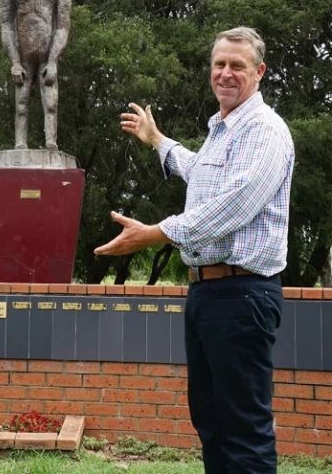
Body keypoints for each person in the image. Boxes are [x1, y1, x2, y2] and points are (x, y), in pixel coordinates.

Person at [95, 26, 294, 473]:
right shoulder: (222, 131)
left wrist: (157, 232)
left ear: (259, 72)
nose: (225, 73)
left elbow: (235, 204)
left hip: (244, 295)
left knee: (243, 429)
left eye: (237, 66)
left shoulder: (266, 131)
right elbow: (202, 172)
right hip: (208, 295)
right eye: (219, 64)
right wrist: (157, 142)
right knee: (212, 423)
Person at [0, 0, 72, 150]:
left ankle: (51, 142)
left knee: (51, 102)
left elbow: (62, 26)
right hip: (22, 52)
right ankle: (20, 143)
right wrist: (14, 62)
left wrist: (52, 61)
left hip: (48, 51)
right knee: (20, 102)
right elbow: (7, 24)